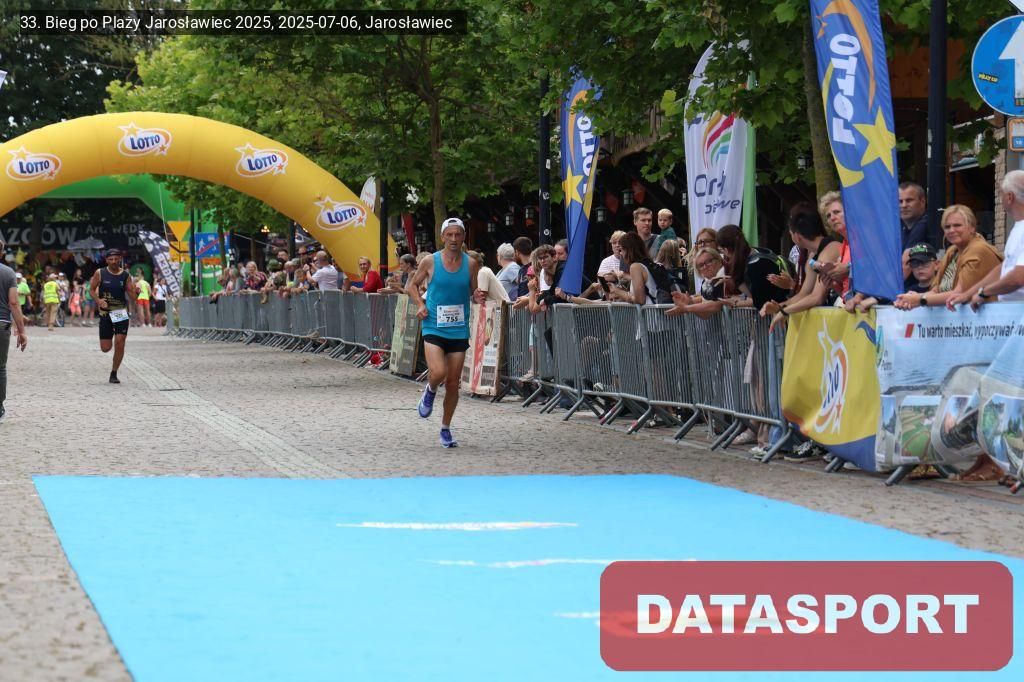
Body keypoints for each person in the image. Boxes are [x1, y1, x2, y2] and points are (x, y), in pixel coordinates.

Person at [406, 217, 483, 447]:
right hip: (434, 324)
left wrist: (477, 296)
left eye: (458, 234)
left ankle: (445, 428)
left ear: (463, 237)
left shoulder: (471, 264)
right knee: (438, 372)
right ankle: (430, 390)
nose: (453, 239)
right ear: (442, 237)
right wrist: (420, 304)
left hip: (458, 328)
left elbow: (474, 292)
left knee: (452, 382)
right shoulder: (430, 261)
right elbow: (412, 286)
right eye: (449, 235)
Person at [894, 205, 1002, 311]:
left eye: (957, 225)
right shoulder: (952, 251)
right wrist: (912, 298)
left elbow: (959, 294)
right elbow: (936, 290)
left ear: (972, 227)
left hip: (985, 318)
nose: (951, 230)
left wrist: (920, 300)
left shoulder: (979, 250)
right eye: (947, 227)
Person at [90, 249, 137, 384]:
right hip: (105, 313)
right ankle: (109, 341)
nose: (114, 262)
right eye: (111, 259)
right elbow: (91, 290)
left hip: (120, 312)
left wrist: (137, 292)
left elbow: (133, 297)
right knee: (105, 348)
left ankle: (114, 373)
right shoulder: (100, 273)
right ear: (107, 260)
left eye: (116, 259)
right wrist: (99, 301)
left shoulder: (125, 275)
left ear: (120, 259)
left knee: (120, 342)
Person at [1, 242, 29, 420]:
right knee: (0, 367)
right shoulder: (8, 272)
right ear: (2, 252)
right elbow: (13, 302)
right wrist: (21, 330)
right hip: (2, 323)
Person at [899, 181, 941, 251]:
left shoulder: (931, 225)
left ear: (922, 202)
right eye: (900, 201)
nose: (904, 205)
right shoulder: (897, 227)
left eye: (909, 200)